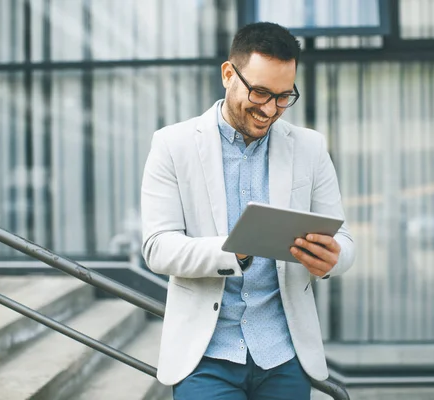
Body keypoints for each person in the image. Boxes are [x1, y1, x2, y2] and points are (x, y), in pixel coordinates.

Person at [141, 22, 355, 400]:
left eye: (283, 96)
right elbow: (158, 247)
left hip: (285, 358)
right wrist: (233, 249)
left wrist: (334, 258)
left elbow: (344, 241)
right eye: (259, 92)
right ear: (228, 74)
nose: (270, 109)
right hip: (205, 357)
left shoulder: (310, 148)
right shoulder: (172, 145)